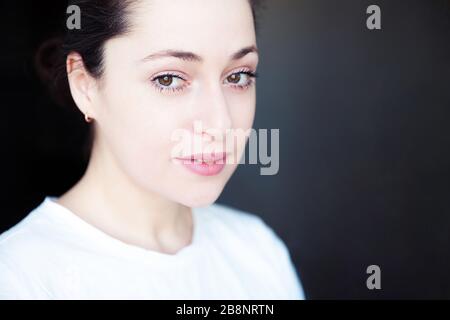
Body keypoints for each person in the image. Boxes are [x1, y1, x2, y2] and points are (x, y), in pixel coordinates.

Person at [0, 0, 305, 299]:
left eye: (238, 76)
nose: (221, 123)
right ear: (84, 85)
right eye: (169, 79)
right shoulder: (20, 279)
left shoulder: (258, 251)